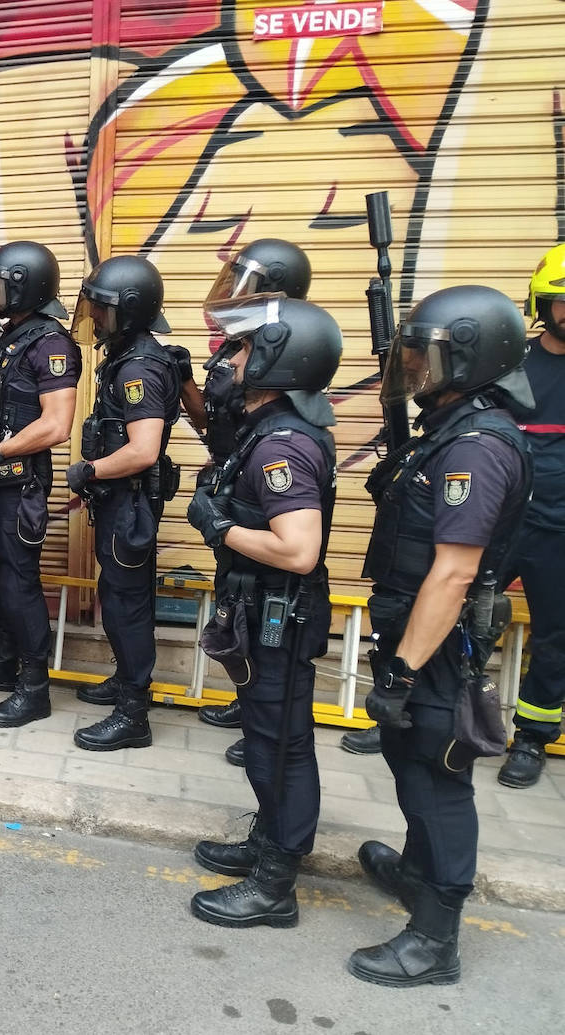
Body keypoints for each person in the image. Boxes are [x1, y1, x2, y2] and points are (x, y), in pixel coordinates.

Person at [352, 285, 532, 987]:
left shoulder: (479, 448)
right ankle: (417, 871)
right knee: (411, 760)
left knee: (438, 774)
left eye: (428, 359)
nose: (416, 371)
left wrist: (399, 671)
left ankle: (436, 938)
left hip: (438, 645)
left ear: (471, 359)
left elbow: (454, 572)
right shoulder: (453, 431)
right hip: (417, 635)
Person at [184, 297, 341, 928]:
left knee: (280, 747)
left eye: (244, 349)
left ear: (280, 359)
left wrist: (220, 527)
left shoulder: (284, 445)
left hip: (281, 614)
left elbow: (298, 550)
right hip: (261, 612)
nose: (231, 358)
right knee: (264, 739)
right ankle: (266, 841)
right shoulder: (262, 429)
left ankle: (277, 882)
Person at [187, 240, 325, 761]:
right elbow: (223, 420)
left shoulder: (286, 354)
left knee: (269, 597)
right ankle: (254, 703)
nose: (233, 296)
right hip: (238, 478)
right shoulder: (235, 348)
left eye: (247, 285)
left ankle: (268, 722)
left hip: (264, 489)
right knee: (238, 593)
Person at [0, 241, 82, 727]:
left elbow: (56, 425)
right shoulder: (12, 337)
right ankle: (3, 661)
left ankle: (34, 687)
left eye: (1, 285)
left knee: (20, 580)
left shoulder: (50, 343)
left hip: (19, 482)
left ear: (27, 286)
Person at [65, 255, 181, 751]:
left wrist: (88, 471)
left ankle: (133, 713)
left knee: (127, 605)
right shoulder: (125, 354)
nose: (95, 317)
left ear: (129, 311)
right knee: (117, 598)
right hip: (119, 502)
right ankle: (125, 681)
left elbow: (143, 450)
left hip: (130, 502)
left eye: (104, 309)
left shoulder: (139, 366)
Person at [499, 244, 565, 788]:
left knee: (555, 638)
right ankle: (418, 713)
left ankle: (531, 738)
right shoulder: (510, 363)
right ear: (543, 303)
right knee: (446, 609)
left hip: (560, 533)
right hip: (496, 521)